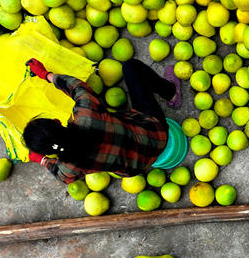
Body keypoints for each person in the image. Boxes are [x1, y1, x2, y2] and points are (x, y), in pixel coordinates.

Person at [22, 57, 178, 184]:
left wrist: (42, 160)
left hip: (135, 167)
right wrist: (46, 75)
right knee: (131, 67)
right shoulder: (87, 114)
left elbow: (60, 175)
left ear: (51, 152)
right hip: (156, 133)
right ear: (56, 121)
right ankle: (172, 93)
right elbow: (76, 87)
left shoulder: (68, 168)